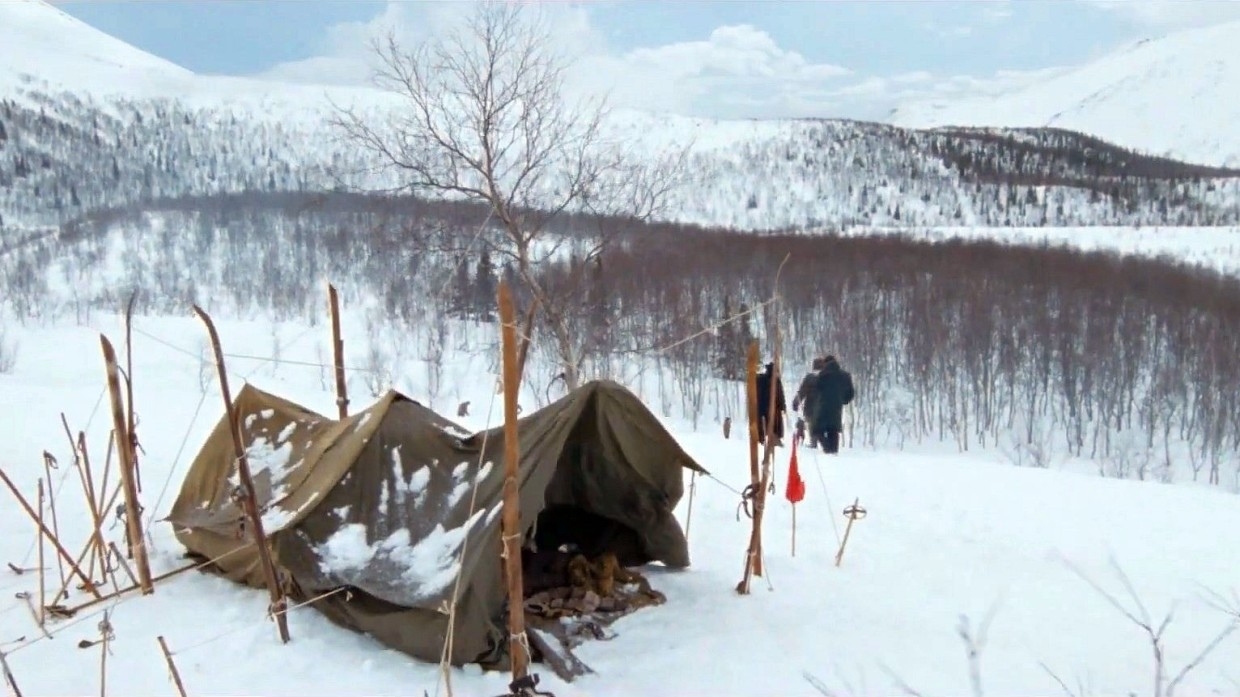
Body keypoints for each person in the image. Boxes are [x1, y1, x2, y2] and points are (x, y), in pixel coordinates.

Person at [812, 355, 855, 454]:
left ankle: (827, 448)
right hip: (837, 407)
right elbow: (851, 393)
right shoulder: (845, 375)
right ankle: (833, 450)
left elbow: (817, 388)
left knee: (818, 429)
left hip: (823, 405)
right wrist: (843, 400)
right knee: (833, 429)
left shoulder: (823, 374)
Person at [792, 357, 826, 449]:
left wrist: (796, 402)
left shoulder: (809, 378)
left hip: (810, 407)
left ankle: (814, 443)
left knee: (813, 425)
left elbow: (802, 392)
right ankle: (824, 444)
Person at [755, 361, 786, 446]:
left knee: (763, 423)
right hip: (772, 407)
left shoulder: (760, 379)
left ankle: (763, 439)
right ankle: (774, 439)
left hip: (762, 407)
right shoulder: (775, 380)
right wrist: (783, 407)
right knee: (774, 424)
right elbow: (780, 394)